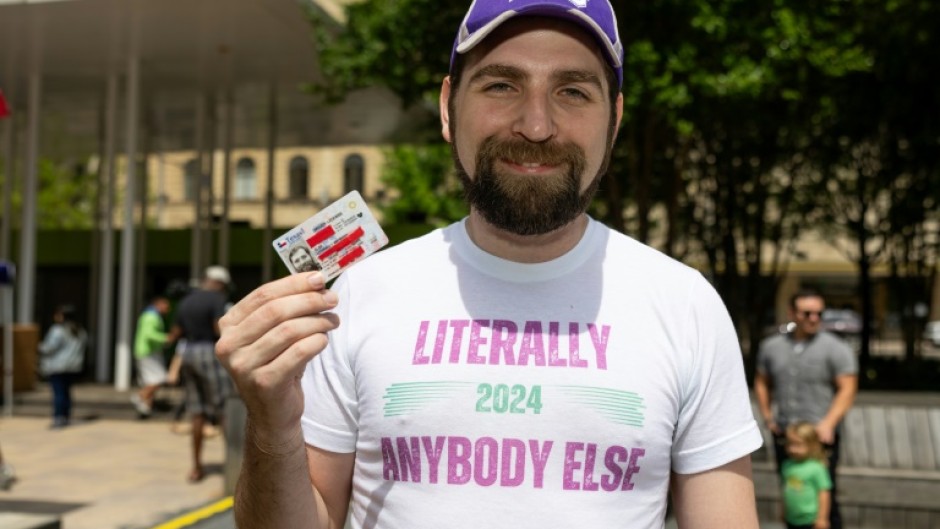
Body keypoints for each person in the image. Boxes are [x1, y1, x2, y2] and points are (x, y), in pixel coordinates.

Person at [216, 1, 763, 527]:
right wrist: (271, 423)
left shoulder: (684, 303)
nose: (536, 125)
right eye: (502, 84)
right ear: (448, 108)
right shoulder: (355, 296)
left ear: (614, 120)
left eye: (573, 91)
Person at [755, 289, 858, 529]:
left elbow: (848, 388)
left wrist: (829, 423)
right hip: (786, 435)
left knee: (823, 496)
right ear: (792, 313)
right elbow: (761, 381)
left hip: (819, 436)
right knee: (792, 491)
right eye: (807, 313)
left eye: (818, 313)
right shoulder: (772, 346)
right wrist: (768, 417)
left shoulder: (836, 348)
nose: (814, 318)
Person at [171, 266, 234, 483]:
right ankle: (236, 465)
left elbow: (176, 332)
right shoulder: (216, 299)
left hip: (188, 352)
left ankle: (196, 467)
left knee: (196, 412)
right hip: (209, 351)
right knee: (225, 408)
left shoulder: (186, 300)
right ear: (219, 284)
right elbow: (218, 330)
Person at [38, 304, 87, 429]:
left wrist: (38, 347)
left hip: (57, 366)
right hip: (73, 366)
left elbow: (49, 348)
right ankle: (65, 416)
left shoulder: (58, 330)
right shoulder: (80, 330)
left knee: (59, 393)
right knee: (66, 392)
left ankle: (58, 417)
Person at [780, 422, 832, 529]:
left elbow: (824, 494)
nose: (792, 449)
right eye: (790, 444)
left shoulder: (817, 467)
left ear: (811, 445)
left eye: (798, 444)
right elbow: (786, 490)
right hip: (792, 518)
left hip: (810, 520)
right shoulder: (787, 465)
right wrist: (783, 510)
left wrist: (822, 518)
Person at [131, 295, 172, 417]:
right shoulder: (151, 316)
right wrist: (165, 338)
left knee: (149, 381)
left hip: (147, 351)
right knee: (159, 378)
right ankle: (139, 397)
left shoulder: (150, 315)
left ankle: (145, 407)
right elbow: (149, 334)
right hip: (148, 352)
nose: (168, 308)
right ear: (158, 304)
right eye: (166, 305)